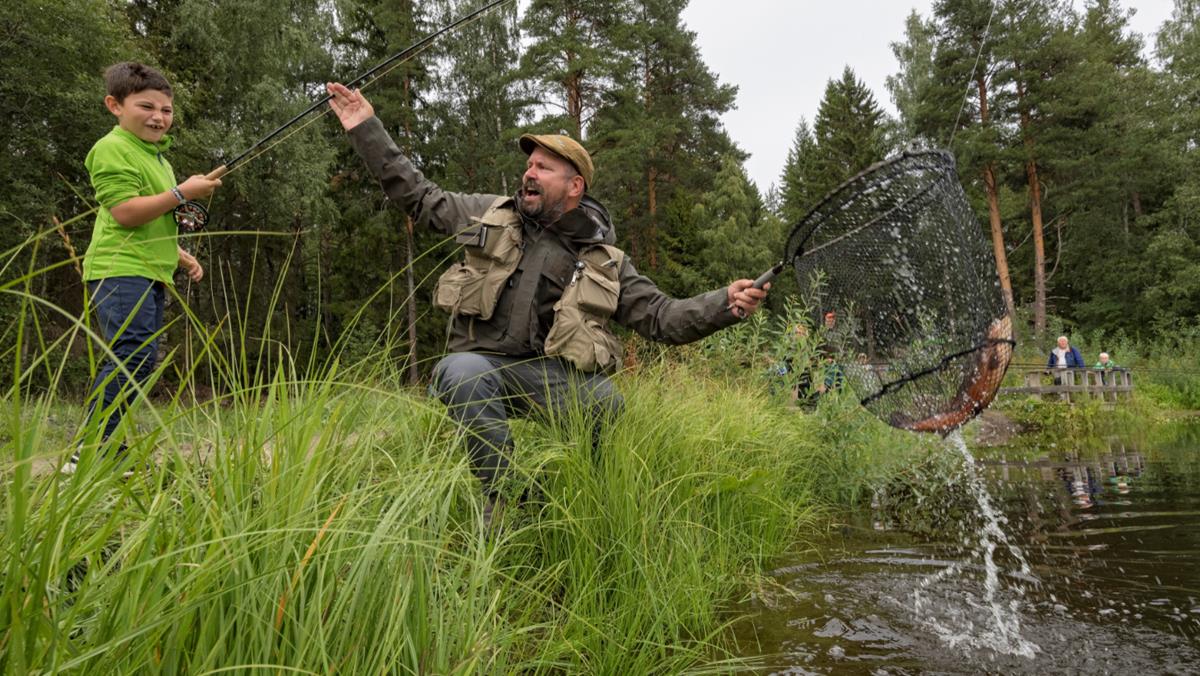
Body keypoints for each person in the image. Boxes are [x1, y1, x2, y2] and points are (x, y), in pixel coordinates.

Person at [325, 83, 768, 517]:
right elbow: (420, 197)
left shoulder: (604, 259)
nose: (529, 173)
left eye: (543, 167)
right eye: (529, 165)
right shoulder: (488, 213)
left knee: (607, 403)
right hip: (480, 368)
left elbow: (661, 317)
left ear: (574, 186)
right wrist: (366, 127)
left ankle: (588, 501)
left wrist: (723, 304)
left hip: (549, 380)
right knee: (460, 372)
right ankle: (509, 499)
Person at [62, 62, 222, 475]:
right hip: (119, 268)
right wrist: (182, 192)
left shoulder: (157, 159)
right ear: (115, 105)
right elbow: (125, 212)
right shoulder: (111, 148)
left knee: (141, 359)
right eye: (147, 107)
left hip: (150, 270)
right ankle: (89, 452)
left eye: (166, 110)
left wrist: (179, 253)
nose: (158, 117)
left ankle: (109, 449)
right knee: (131, 355)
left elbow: (152, 215)